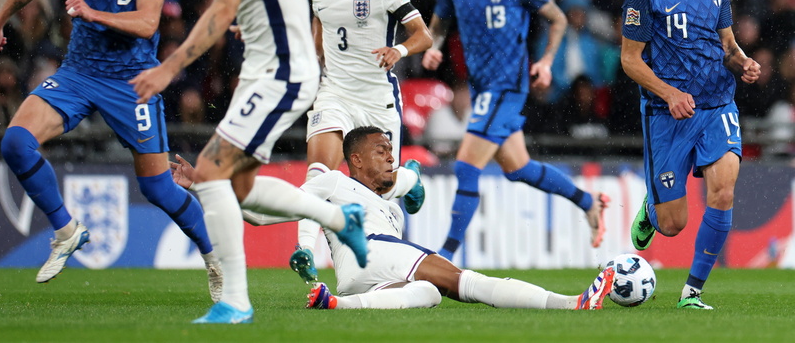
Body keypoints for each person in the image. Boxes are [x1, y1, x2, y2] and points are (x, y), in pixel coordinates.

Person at [129, 0, 369, 325]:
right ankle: (342, 218)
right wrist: (254, 24)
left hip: (279, 73)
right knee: (237, 187)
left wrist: (168, 67)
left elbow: (221, 9)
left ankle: (235, 302)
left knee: (211, 171)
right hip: (275, 70)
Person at [0, 0, 223, 300]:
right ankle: (67, 230)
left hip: (133, 82)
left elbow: (149, 23)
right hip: (78, 73)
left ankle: (215, 255)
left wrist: (93, 14)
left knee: (157, 187)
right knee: (15, 143)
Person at [170, 126, 615, 311]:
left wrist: (413, 182)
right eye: (381, 151)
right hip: (378, 252)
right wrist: (203, 187)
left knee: (429, 293)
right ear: (356, 159)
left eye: (391, 150)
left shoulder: (389, 189)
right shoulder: (330, 184)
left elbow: (411, 183)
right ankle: (571, 303)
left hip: (358, 281)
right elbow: (263, 215)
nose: (391, 157)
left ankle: (337, 306)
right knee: (463, 281)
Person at [421, 0, 609, 261]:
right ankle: (588, 202)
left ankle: (443, 258)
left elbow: (557, 18)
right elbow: (440, 22)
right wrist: (433, 47)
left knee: (465, 166)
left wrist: (546, 61)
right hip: (481, 89)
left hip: (508, 86)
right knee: (518, 167)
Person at [621, 0, 761, 310]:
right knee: (672, 224)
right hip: (668, 115)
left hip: (717, 104)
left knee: (723, 191)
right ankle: (652, 207)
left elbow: (728, 47)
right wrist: (668, 94)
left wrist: (744, 62)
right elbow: (630, 60)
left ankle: (691, 292)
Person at [305, 0, 433, 213]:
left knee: (380, 192)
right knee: (318, 175)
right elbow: (319, 25)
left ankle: (409, 179)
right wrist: (313, 54)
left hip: (377, 99)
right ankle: (305, 250)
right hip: (335, 94)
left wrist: (398, 50)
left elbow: (423, 35)